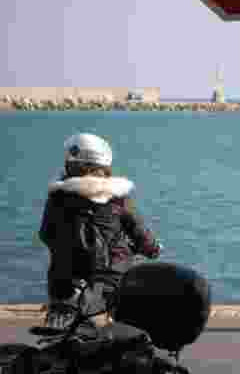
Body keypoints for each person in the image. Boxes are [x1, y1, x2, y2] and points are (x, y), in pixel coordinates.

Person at [39, 133, 162, 330]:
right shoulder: (118, 197)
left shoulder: (57, 197)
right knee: (136, 272)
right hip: (109, 279)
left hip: (65, 280)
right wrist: (153, 249)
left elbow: (45, 234)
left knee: (59, 271)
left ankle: (63, 310)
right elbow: (141, 234)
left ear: (73, 165)